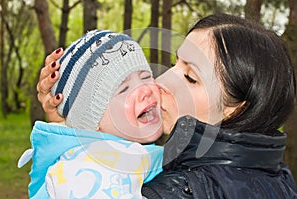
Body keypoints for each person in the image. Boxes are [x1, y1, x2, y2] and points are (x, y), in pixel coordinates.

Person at [37, 13, 297, 198]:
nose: (159, 81)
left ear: (236, 108)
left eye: (190, 78)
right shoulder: (279, 177)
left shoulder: (174, 190)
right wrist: (70, 128)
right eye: (175, 64)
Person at [19, 30, 164, 199]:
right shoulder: (87, 171)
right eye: (124, 89)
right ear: (90, 121)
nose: (145, 90)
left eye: (146, 77)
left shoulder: (115, 155)